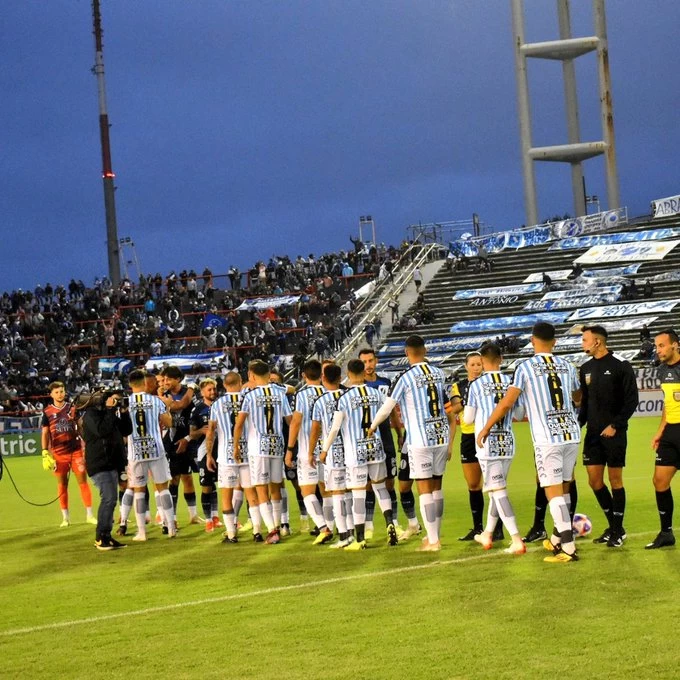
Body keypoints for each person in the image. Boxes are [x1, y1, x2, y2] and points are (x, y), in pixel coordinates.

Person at [477, 322, 582, 564]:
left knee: (552, 490)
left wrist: (486, 426)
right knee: (564, 486)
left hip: (548, 438)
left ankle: (568, 547)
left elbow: (506, 404)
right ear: (554, 341)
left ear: (532, 340)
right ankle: (557, 537)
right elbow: (577, 397)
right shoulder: (567, 366)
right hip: (571, 433)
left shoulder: (525, 368)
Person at [369, 335, 455, 551]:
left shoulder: (405, 377)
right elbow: (448, 405)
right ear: (425, 350)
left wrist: (372, 426)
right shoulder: (438, 373)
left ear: (407, 353)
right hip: (441, 436)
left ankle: (433, 540)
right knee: (437, 487)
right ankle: (434, 535)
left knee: (424, 489)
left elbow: (388, 407)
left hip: (420, 439)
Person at [322, 359, 398, 550]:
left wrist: (325, 450)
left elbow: (334, 428)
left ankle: (360, 539)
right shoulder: (375, 393)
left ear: (348, 374)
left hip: (356, 452)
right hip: (376, 448)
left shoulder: (345, 398)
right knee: (381, 488)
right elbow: (386, 414)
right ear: (364, 372)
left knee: (358, 494)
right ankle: (390, 522)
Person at [463, 343, 525, 555]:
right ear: (501, 358)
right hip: (507, 441)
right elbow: (518, 414)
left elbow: (469, 419)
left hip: (486, 443)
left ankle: (516, 538)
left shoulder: (476, 385)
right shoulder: (511, 381)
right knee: (494, 490)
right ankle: (488, 534)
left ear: (482, 360)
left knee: (498, 491)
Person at [579, 325, 638, 547]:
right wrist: (578, 425)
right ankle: (615, 528)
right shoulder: (585, 368)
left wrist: (616, 424)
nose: (582, 344)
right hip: (593, 435)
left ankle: (616, 531)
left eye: (585, 340)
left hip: (615, 433)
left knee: (615, 481)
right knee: (594, 481)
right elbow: (585, 403)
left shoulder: (621, 365)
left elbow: (632, 400)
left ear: (597, 342)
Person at [233, 360, 293, 544]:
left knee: (261, 490)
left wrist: (236, 446)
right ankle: (280, 526)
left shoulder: (250, 396)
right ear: (269, 374)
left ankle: (272, 530)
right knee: (276, 487)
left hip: (257, 447)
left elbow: (240, 423)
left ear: (251, 375)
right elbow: (290, 421)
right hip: (277, 444)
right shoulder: (279, 393)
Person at [452, 352, 503, 542]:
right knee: (473, 485)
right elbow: (455, 408)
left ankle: (497, 528)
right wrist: (469, 397)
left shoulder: (487, 384)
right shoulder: (459, 386)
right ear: (466, 367)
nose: (476, 368)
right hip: (468, 437)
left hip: (487, 434)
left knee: (493, 483)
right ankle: (478, 528)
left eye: (478, 364)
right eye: (472, 364)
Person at [206, 371, 260, 543]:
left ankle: (231, 534)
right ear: (240, 382)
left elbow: (211, 431)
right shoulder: (249, 400)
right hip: (247, 453)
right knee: (252, 494)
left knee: (226, 496)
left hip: (226, 455)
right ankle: (257, 531)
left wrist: (209, 454)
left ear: (224, 385)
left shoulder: (217, 404)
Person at [285, 360, 334, 544]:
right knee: (327, 490)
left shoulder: (302, 394)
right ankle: (332, 526)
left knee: (307, 491)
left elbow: (296, 423)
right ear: (321, 375)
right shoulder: (328, 392)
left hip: (308, 450)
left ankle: (323, 527)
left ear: (304, 375)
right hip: (327, 449)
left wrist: (290, 449)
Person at [126, 369, 176, 540]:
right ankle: (171, 527)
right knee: (163, 488)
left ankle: (142, 532)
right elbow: (169, 423)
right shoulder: (156, 401)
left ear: (130, 384)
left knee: (139, 490)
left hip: (136, 452)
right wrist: (168, 406)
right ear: (145, 383)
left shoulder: (126, 403)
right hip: (156, 449)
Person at [81, 389, 131, 550]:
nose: (116, 402)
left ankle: (107, 537)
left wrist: (123, 412)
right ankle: (100, 537)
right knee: (108, 499)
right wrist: (110, 411)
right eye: (113, 400)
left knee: (111, 500)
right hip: (98, 463)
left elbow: (126, 430)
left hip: (112, 462)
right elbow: (102, 431)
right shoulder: (90, 415)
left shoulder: (110, 415)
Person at [41, 381, 96, 527]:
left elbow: (81, 426)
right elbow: (45, 432)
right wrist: (45, 452)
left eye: (62, 391)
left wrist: (87, 441)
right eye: (57, 392)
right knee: (62, 486)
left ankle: (90, 515)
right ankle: (65, 518)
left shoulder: (72, 408)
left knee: (83, 482)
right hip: (58, 454)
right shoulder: (47, 412)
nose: (60, 394)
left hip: (76, 451)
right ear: (51, 394)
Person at [359, 348, 401, 538]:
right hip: (364, 443)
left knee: (390, 484)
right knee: (368, 485)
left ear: (376, 361)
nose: (368, 365)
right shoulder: (355, 387)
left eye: (370, 361)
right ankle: (368, 525)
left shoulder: (385, 383)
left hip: (385, 439)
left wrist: (399, 433)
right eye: (364, 362)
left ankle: (394, 522)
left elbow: (392, 411)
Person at [312, 363, 354, 549]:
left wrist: (311, 450)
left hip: (332, 452)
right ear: (340, 378)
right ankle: (353, 531)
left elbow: (315, 429)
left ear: (323, 378)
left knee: (336, 493)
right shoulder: (349, 396)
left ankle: (344, 535)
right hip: (350, 450)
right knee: (351, 491)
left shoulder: (320, 401)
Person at [648, 329, 680, 549]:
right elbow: (668, 405)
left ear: (675, 345)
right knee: (660, 481)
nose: (658, 350)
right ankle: (666, 533)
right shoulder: (660, 372)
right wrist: (660, 431)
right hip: (670, 433)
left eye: (661, 345)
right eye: (656, 346)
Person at [159, 366, 200, 527]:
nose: (165, 382)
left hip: (188, 440)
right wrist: (191, 389)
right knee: (174, 479)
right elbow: (179, 405)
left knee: (188, 477)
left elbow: (194, 410)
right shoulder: (163, 395)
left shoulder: (189, 394)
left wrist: (190, 437)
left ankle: (193, 515)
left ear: (178, 379)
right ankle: (172, 518)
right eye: (164, 379)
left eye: (169, 379)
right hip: (172, 442)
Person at [189, 378, 222, 532]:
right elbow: (192, 433)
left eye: (214, 389)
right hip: (204, 451)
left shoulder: (221, 406)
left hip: (221, 449)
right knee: (207, 485)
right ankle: (209, 520)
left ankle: (216, 517)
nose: (212, 392)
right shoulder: (197, 410)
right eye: (209, 389)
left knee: (218, 485)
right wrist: (201, 431)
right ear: (202, 392)